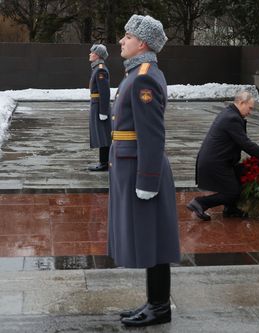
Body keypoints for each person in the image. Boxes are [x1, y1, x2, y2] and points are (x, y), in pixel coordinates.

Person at [107, 14, 180, 327]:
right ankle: (155, 302)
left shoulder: (144, 77)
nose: (121, 41)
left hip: (140, 168)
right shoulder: (136, 74)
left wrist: (147, 180)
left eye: (127, 36)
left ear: (142, 43)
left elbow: (152, 134)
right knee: (152, 236)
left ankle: (160, 306)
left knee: (155, 237)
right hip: (130, 164)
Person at [188, 91, 259, 221]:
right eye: (250, 108)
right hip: (215, 163)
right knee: (232, 192)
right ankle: (200, 203)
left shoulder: (230, 114)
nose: (250, 112)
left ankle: (231, 209)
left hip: (220, 161)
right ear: (242, 103)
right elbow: (245, 143)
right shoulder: (232, 118)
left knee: (241, 175)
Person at [88, 44, 111, 171]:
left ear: (98, 55)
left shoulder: (100, 69)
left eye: (92, 52)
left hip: (99, 106)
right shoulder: (96, 68)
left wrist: (103, 111)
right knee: (101, 134)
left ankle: (104, 163)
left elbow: (105, 92)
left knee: (103, 135)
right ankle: (104, 162)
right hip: (96, 104)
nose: (90, 54)